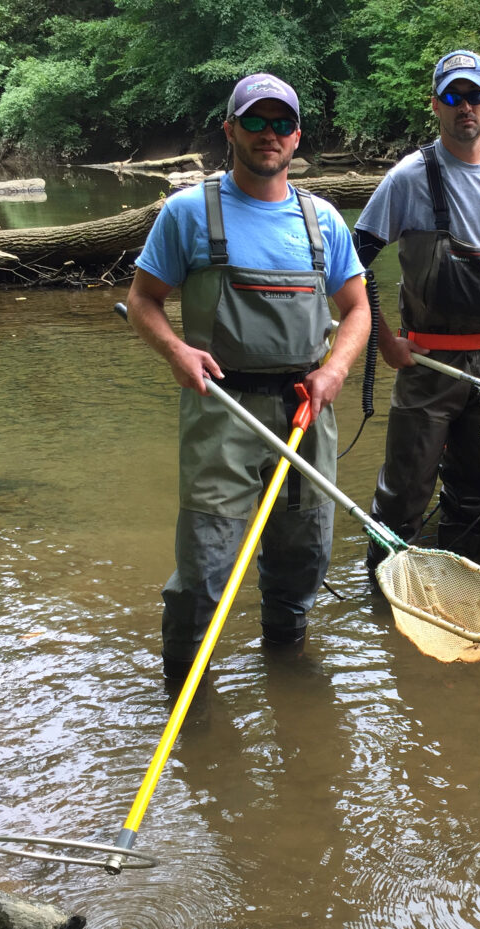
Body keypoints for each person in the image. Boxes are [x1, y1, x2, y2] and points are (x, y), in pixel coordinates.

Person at [127, 72, 370, 678]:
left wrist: (337, 368)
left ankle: (287, 677)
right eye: (255, 122)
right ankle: (186, 689)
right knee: (205, 569)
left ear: (296, 137)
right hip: (220, 412)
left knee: (303, 559)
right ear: (230, 129)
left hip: (306, 411)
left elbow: (359, 308)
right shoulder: (188, 212)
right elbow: (143, 300)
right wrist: (177, 353)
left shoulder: (325, 222)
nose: (269, 135)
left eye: (281, 123)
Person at [354, 49, 480, 569]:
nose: (464, 106)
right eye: (452, 96)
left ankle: (457, 574)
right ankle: (384, 591)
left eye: (473, 96)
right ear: (436, 106)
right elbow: (354, 262)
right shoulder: (407, 178)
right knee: (404, 491)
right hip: (427, 366)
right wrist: (385, 340)